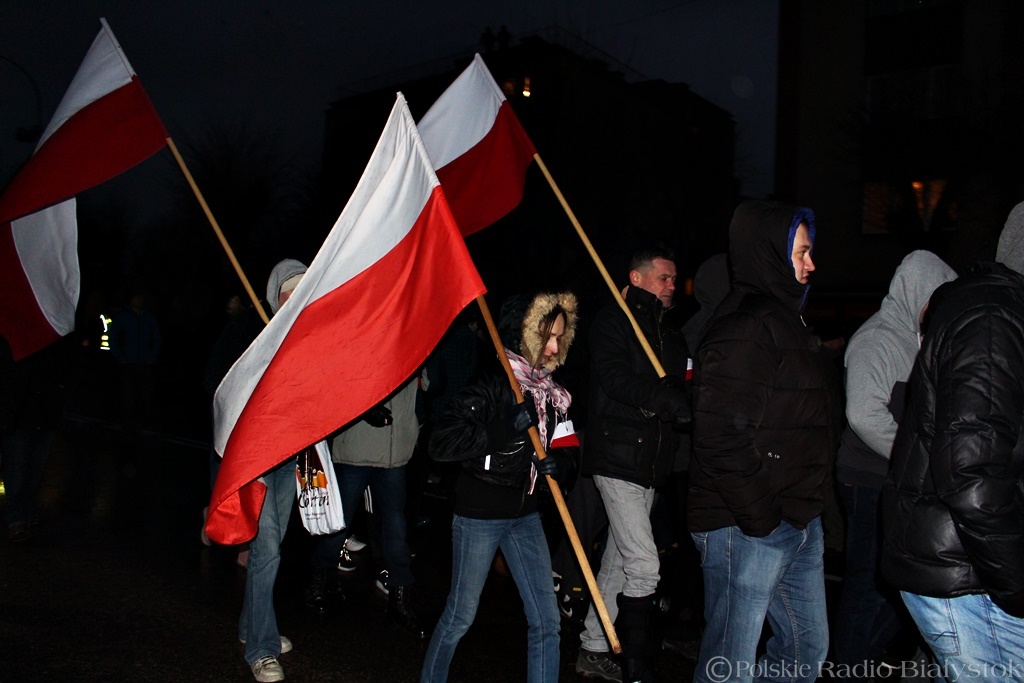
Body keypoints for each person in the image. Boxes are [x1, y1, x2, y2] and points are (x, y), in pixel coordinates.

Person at [688, 200, 832, 683]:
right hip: (746, 526)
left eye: (810, 252)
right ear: (769, 255)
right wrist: (763, 519)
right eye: (801, 253)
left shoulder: (786, 320)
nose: (810, 264)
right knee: (729, 665)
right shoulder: (745, 327)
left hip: (797, 520)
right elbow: (720, 436)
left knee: (805, 651)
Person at [881, 203, 1024, 676]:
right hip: (966, 572)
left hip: (965, 560)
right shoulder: (992, 321)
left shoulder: (999, 316)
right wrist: (1016, 580)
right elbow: (972, 470)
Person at [422, 292, 579, 683]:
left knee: (546, 621)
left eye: (560, 336)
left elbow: (569, 447)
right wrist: (502, 427)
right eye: (547, 336)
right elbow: (440, 443)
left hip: (526, 515)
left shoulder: (552, 394)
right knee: (460, 616)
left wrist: (563, 466)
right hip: (480, 513)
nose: (554, 347)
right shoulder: (493, 384)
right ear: (525, 334)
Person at [832, 251, 956, 674]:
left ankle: (865, 660)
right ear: (916, 291)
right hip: (866, 480)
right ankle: (849, 668)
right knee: (869, 584)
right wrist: (917, 459)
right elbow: (863, 416)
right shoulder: (877, 338)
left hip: (896, 479)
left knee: (897, 582)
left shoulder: (923, 338)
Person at [577, 247, 692, 683]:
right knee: (644, 564)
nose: (671, 286)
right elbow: (615, 379)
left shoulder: (670, 332)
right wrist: (661, 398)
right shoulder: (614, 321)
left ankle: (592, 645)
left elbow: (680, 388)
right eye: (663, 278)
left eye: (674, 279)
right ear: (637, 278)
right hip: (618, 455)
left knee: (618, 560)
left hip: (651, 462)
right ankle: (637, 664)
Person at [305, 375, 425, 639]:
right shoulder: (365, 340)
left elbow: (432, 384)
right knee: (339, 522)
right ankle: (318, 581)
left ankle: (400, 597)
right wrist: (364, 409)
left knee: (396, 527)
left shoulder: (413, 343)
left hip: (395, 454)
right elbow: (338, 386)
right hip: (357, 449)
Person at [237, 258, 306, 683]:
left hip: (288, 460)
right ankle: (260, 650)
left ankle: (250, 627)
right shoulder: (251, 334)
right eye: (288, 289)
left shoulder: (304, 338)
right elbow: (219, 386)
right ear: (273, 294)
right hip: (257, 460)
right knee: (268, 553)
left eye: (303, 287)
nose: (295, 296)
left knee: (271, 549)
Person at [0, 336, 68, 542]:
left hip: (44, 415)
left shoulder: (52, 341)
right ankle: (16, 519)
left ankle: (25, 512)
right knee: (17, 469)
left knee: (35, 470)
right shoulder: (13, 338)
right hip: (19, 416)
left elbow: (60, 374)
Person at [109, 289, 161, 435]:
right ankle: (125, 424)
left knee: (144, 395)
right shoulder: (123, 317)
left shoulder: (148, 318)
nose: (140, 300)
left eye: (141, 298)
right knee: (127, 395)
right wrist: (120, 357)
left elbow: (156, 337)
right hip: (128, 363)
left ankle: (140, 424)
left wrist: (152, 356)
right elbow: (114, 337)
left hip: (144, 363)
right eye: (137, 297)